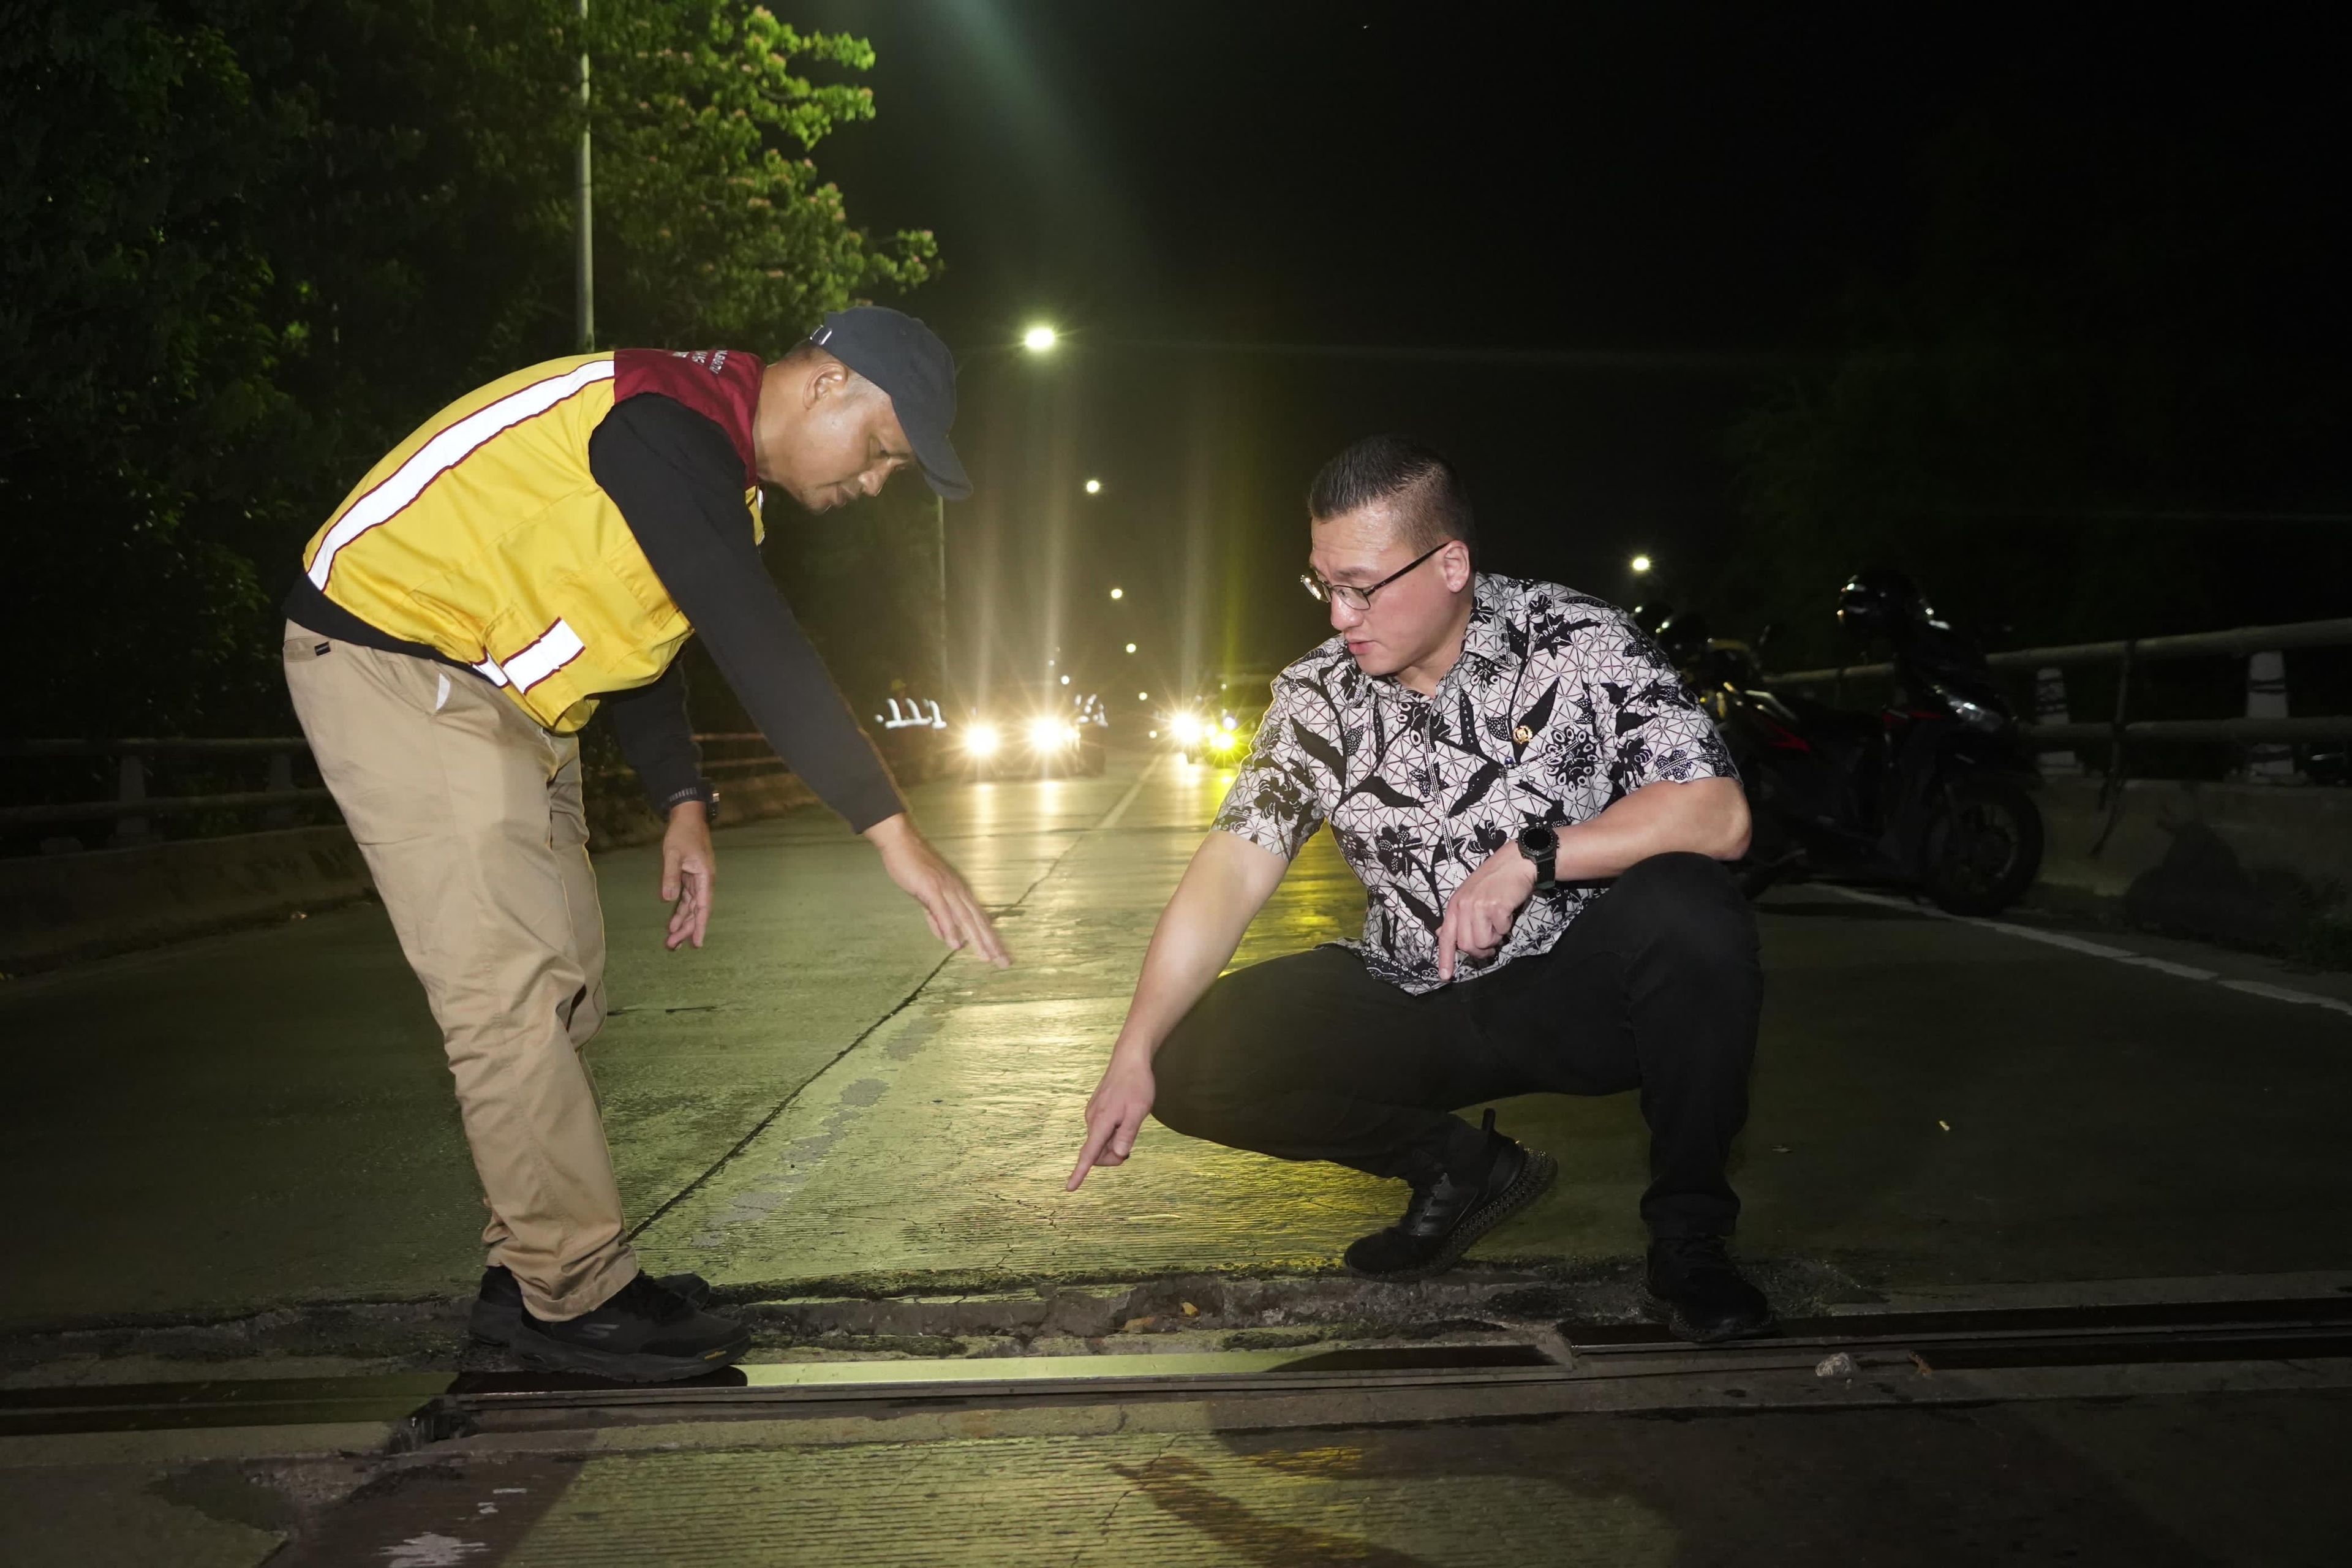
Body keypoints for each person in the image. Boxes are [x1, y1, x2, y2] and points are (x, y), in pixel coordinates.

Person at [282, 307, 1009, 1382]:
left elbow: (645, 627)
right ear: (828, 387)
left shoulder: (711, 468)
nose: (874, 483)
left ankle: (530, 1270)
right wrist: (889, 829)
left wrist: (682, 798)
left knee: (568, 983)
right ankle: (572, 1302)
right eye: (883, 451)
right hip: (395, 654)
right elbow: (750, 634)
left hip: (511, 703)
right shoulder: (659, 420)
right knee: (508, 996)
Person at [1069, 435, 1773, 1343]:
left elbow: (1719, 815)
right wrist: (1131, 1048)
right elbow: (1230, 872)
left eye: (1362, 586)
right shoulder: (1317, 700)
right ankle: (1459, 1168)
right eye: (1324, 585)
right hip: (1416, 996)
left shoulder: (1579, 642)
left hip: (1577, 998)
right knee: (1184, 1060)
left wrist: (1534, 854)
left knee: (1692, 908)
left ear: (1450, 564)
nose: (1339, 615)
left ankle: (1690, 1243)